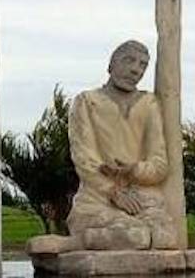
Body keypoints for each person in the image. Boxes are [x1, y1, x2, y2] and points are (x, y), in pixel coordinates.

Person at [67, 40, 177, 250]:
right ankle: (78, 242)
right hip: (98, 199)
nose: (136, 70)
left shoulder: (149, 104)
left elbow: (160, 165)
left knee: (165, 238)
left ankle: (78, 242)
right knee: (135, 236)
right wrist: (112, 191)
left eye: (143, 65)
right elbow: (84, 158)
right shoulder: (87, 101)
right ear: (111, 64)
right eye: (129, 61)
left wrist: (134, 169)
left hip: (143, 200)